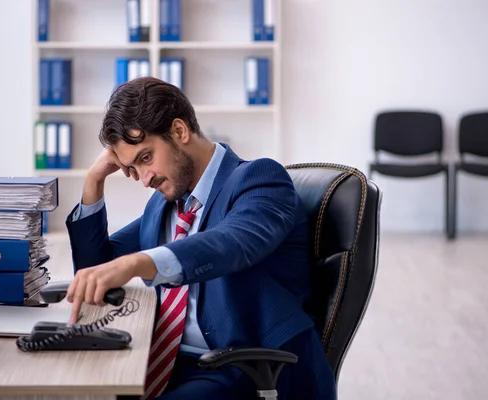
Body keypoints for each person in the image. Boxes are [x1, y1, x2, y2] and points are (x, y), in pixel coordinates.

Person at [64, 77, 336, 400]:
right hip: (166, 361)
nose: (144, 179)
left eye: (146, 157)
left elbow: (231, 243)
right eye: (133, 167)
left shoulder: (258, 179)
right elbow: (98, 275)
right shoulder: (164, 206)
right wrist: (93, 182)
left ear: (179, 131)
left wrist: (141, 261)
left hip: (241, 369)